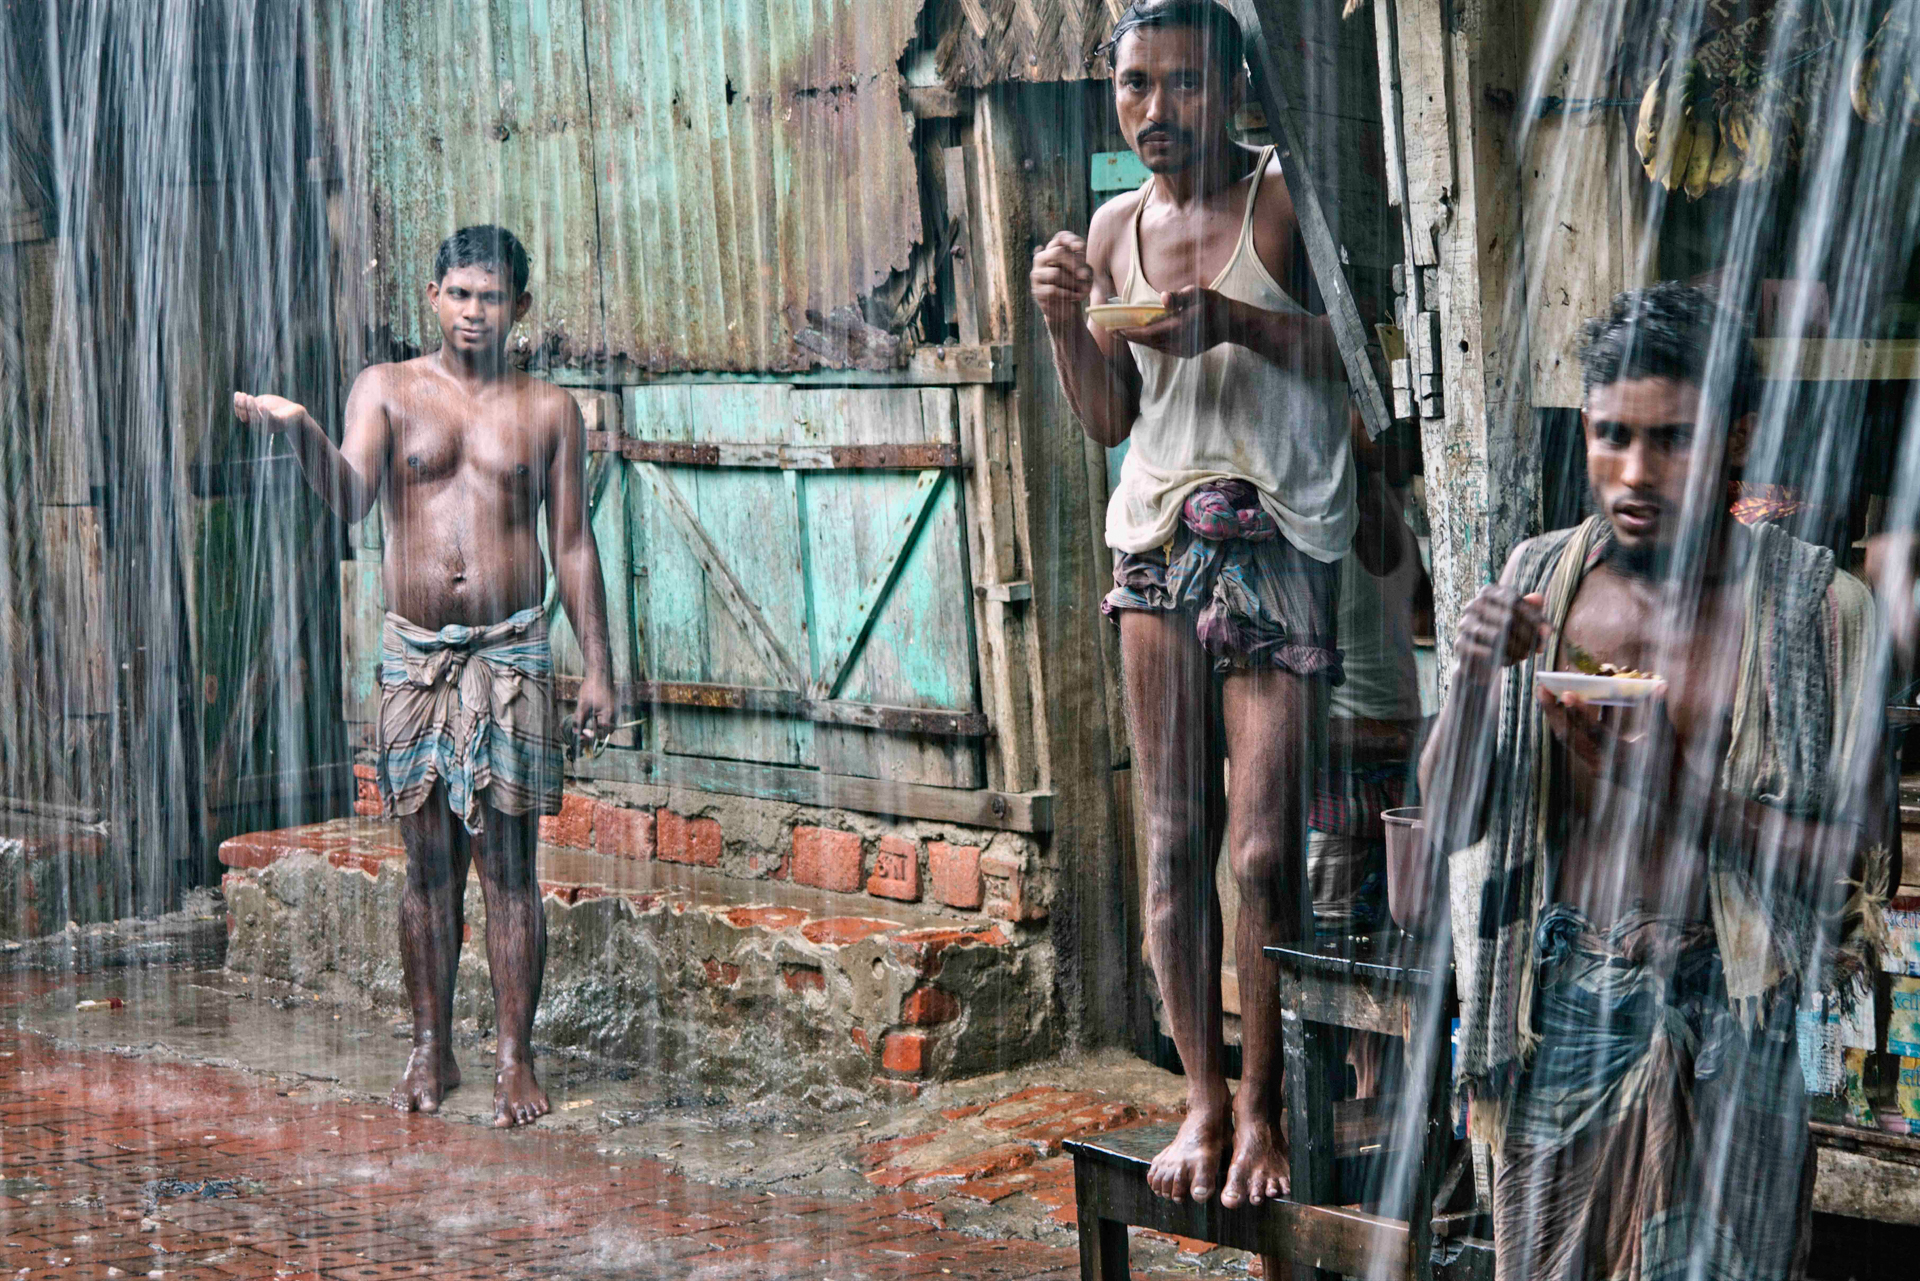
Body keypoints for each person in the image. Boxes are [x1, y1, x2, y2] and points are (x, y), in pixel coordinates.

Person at [1401, 283, 1880, 1279]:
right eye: (1613, 436)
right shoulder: (1542, 583)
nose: (1635, 472)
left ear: (1739, 437)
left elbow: (1855, 874)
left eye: (1673, 441)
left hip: (1740, 1014)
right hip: (1564, 1002)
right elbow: (1447, 825)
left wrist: (1680, 789)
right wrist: (1475, 679)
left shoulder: (1819, 614)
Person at [1029, 0, 1355, 1207]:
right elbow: (1113, 419)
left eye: (1182, 85)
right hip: (1157, 543)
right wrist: (1068, 322)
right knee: (1170, 836)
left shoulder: (1283, 200)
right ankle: (1202, 1103)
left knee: (1262, 849)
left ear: (1233, 89)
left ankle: (1267, 1111)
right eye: (1134, 87)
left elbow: (1352, 356)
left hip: (1280, 534)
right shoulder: (1115, 228)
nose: (1156, 112)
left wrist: (1236, 323)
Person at [233, 225, 617, 1128]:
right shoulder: (388, 389)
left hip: (513, 652)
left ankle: (515, 1057)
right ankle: (429, 1044)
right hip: (414, 655)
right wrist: (301, 432)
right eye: (459, 294)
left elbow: (572, 543)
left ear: (521, 306)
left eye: (492, 297)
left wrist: (599, 667)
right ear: (432, 297)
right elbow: (354, 495)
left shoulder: (550, 409)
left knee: (510, 869)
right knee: (425, 864)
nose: (474, 313)